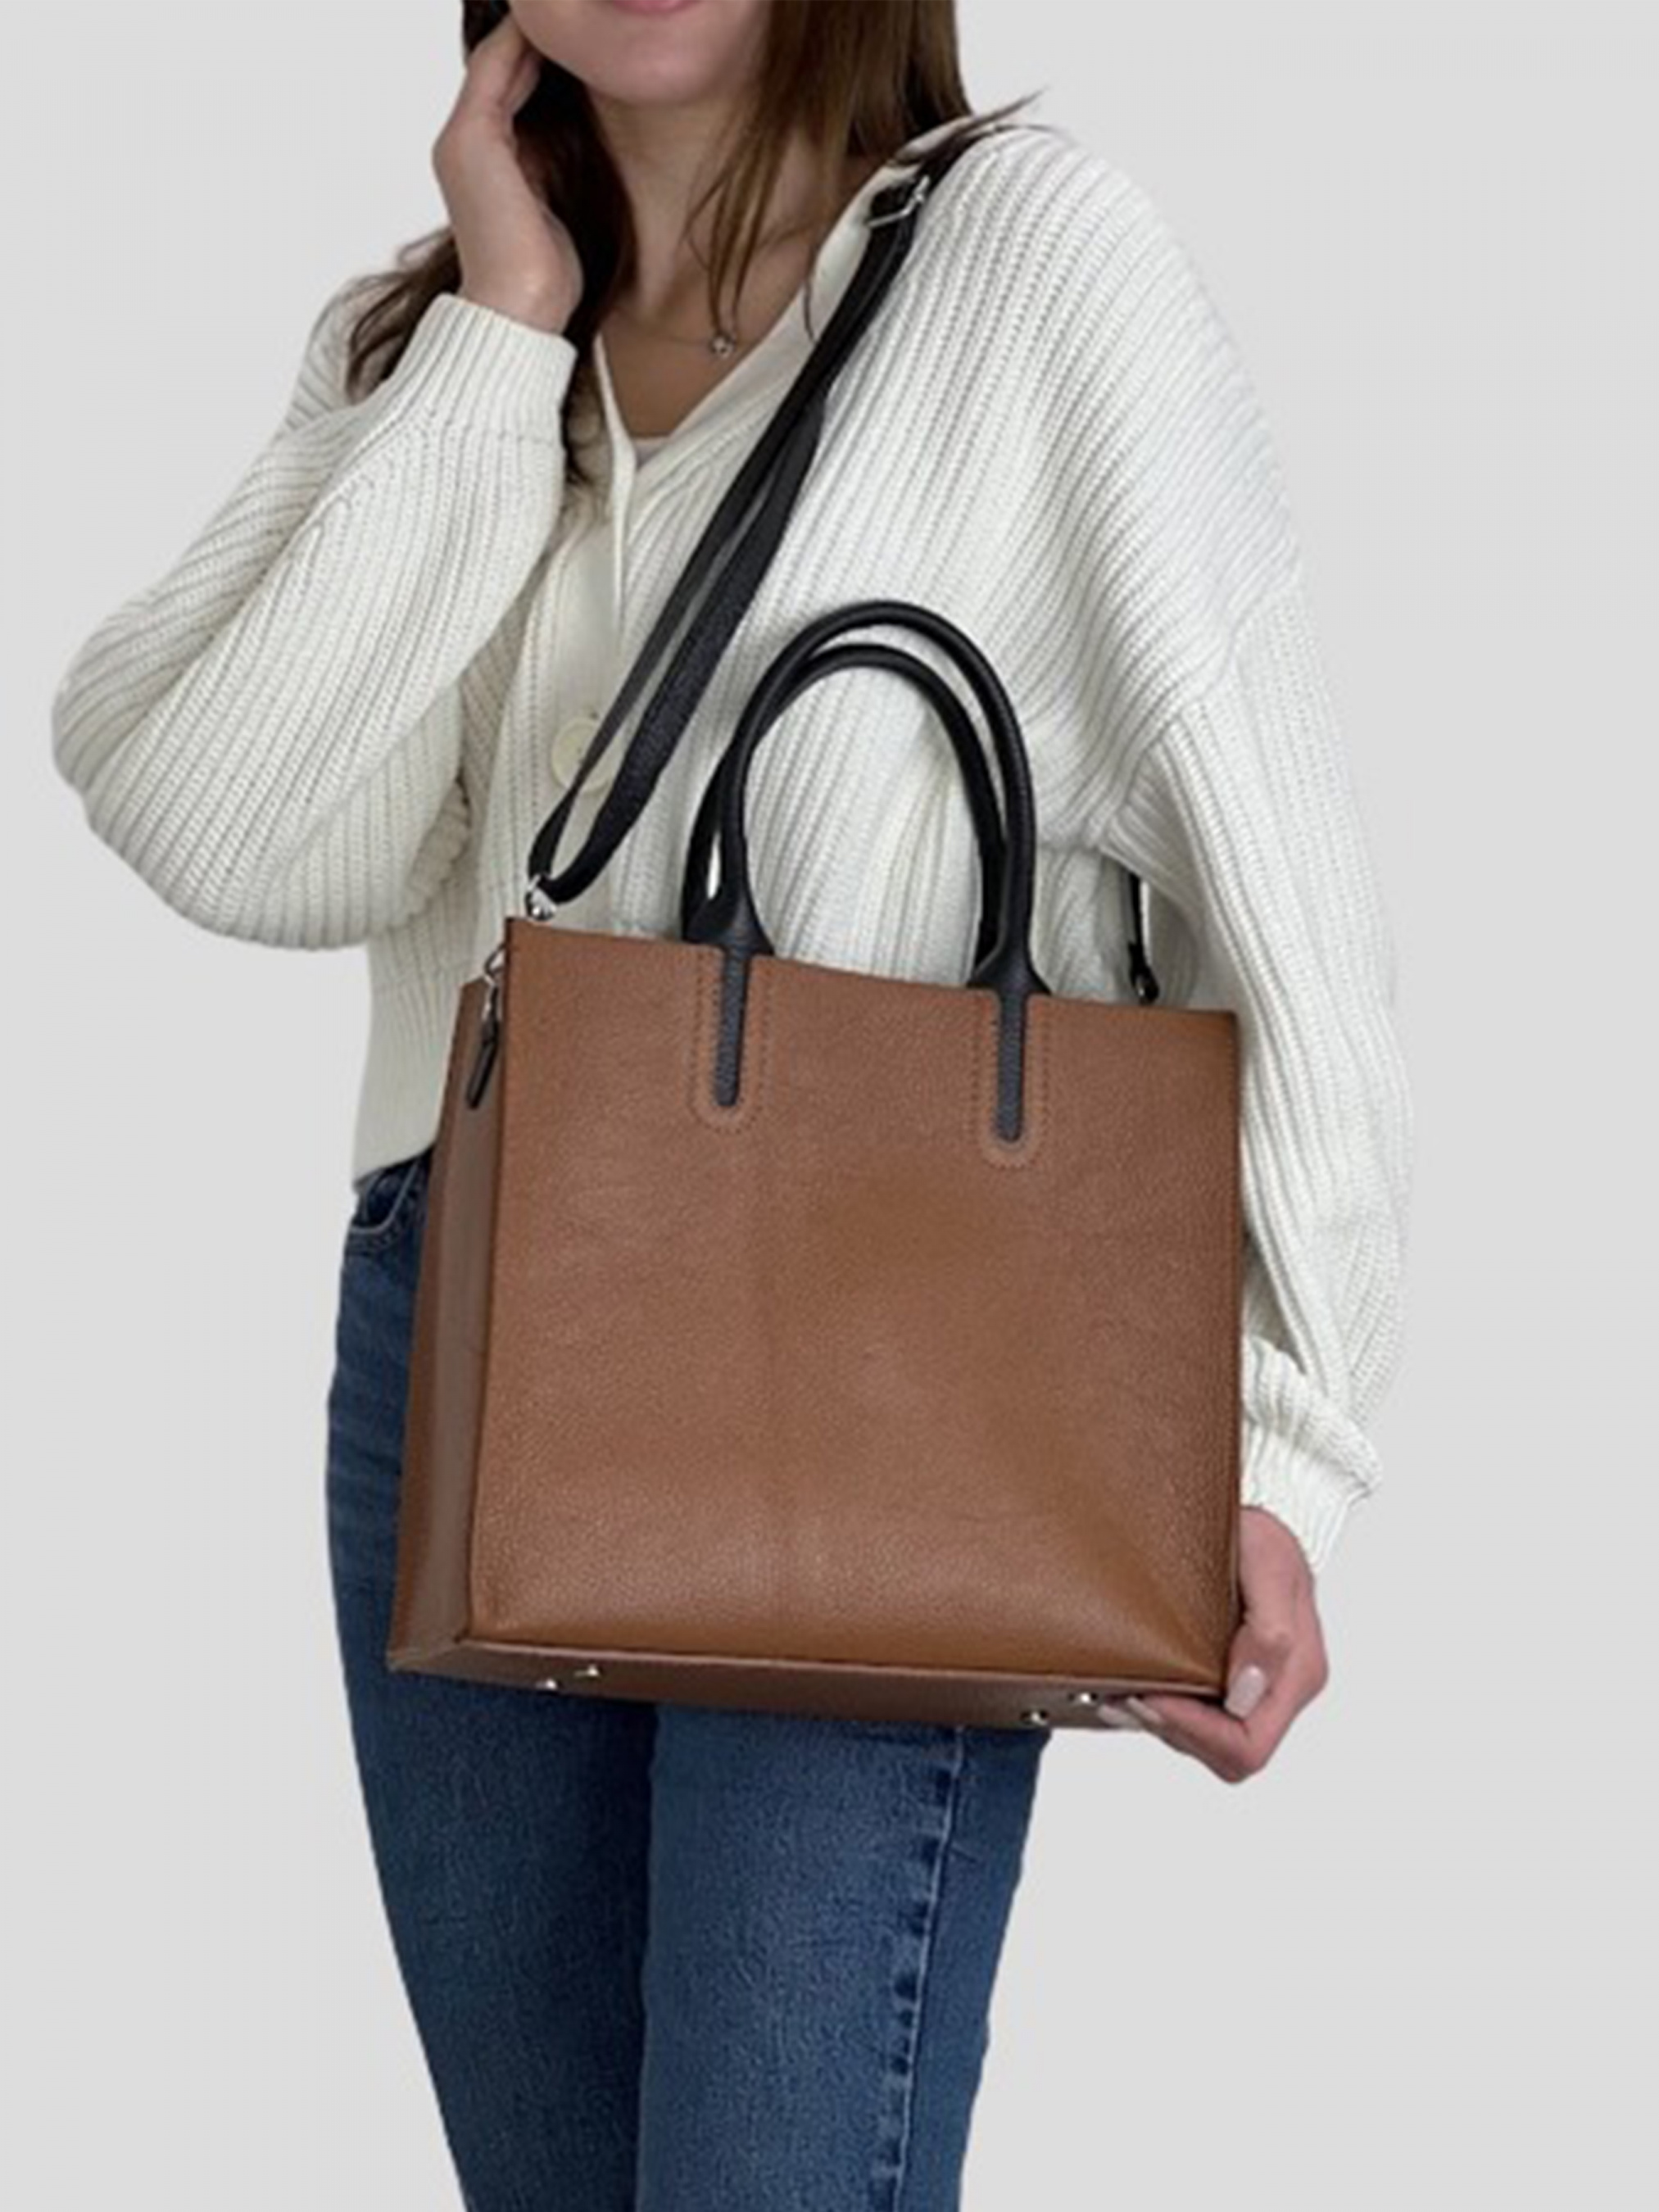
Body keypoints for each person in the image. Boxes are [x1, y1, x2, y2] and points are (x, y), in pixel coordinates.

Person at [48, 1, 1413, 2204]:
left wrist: (1281, 1442)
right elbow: (230, 821)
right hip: (465, 1335)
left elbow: (1285, 899)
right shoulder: (437, 347)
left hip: (894, 1347)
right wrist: (500, 332)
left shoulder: (1033, 267)